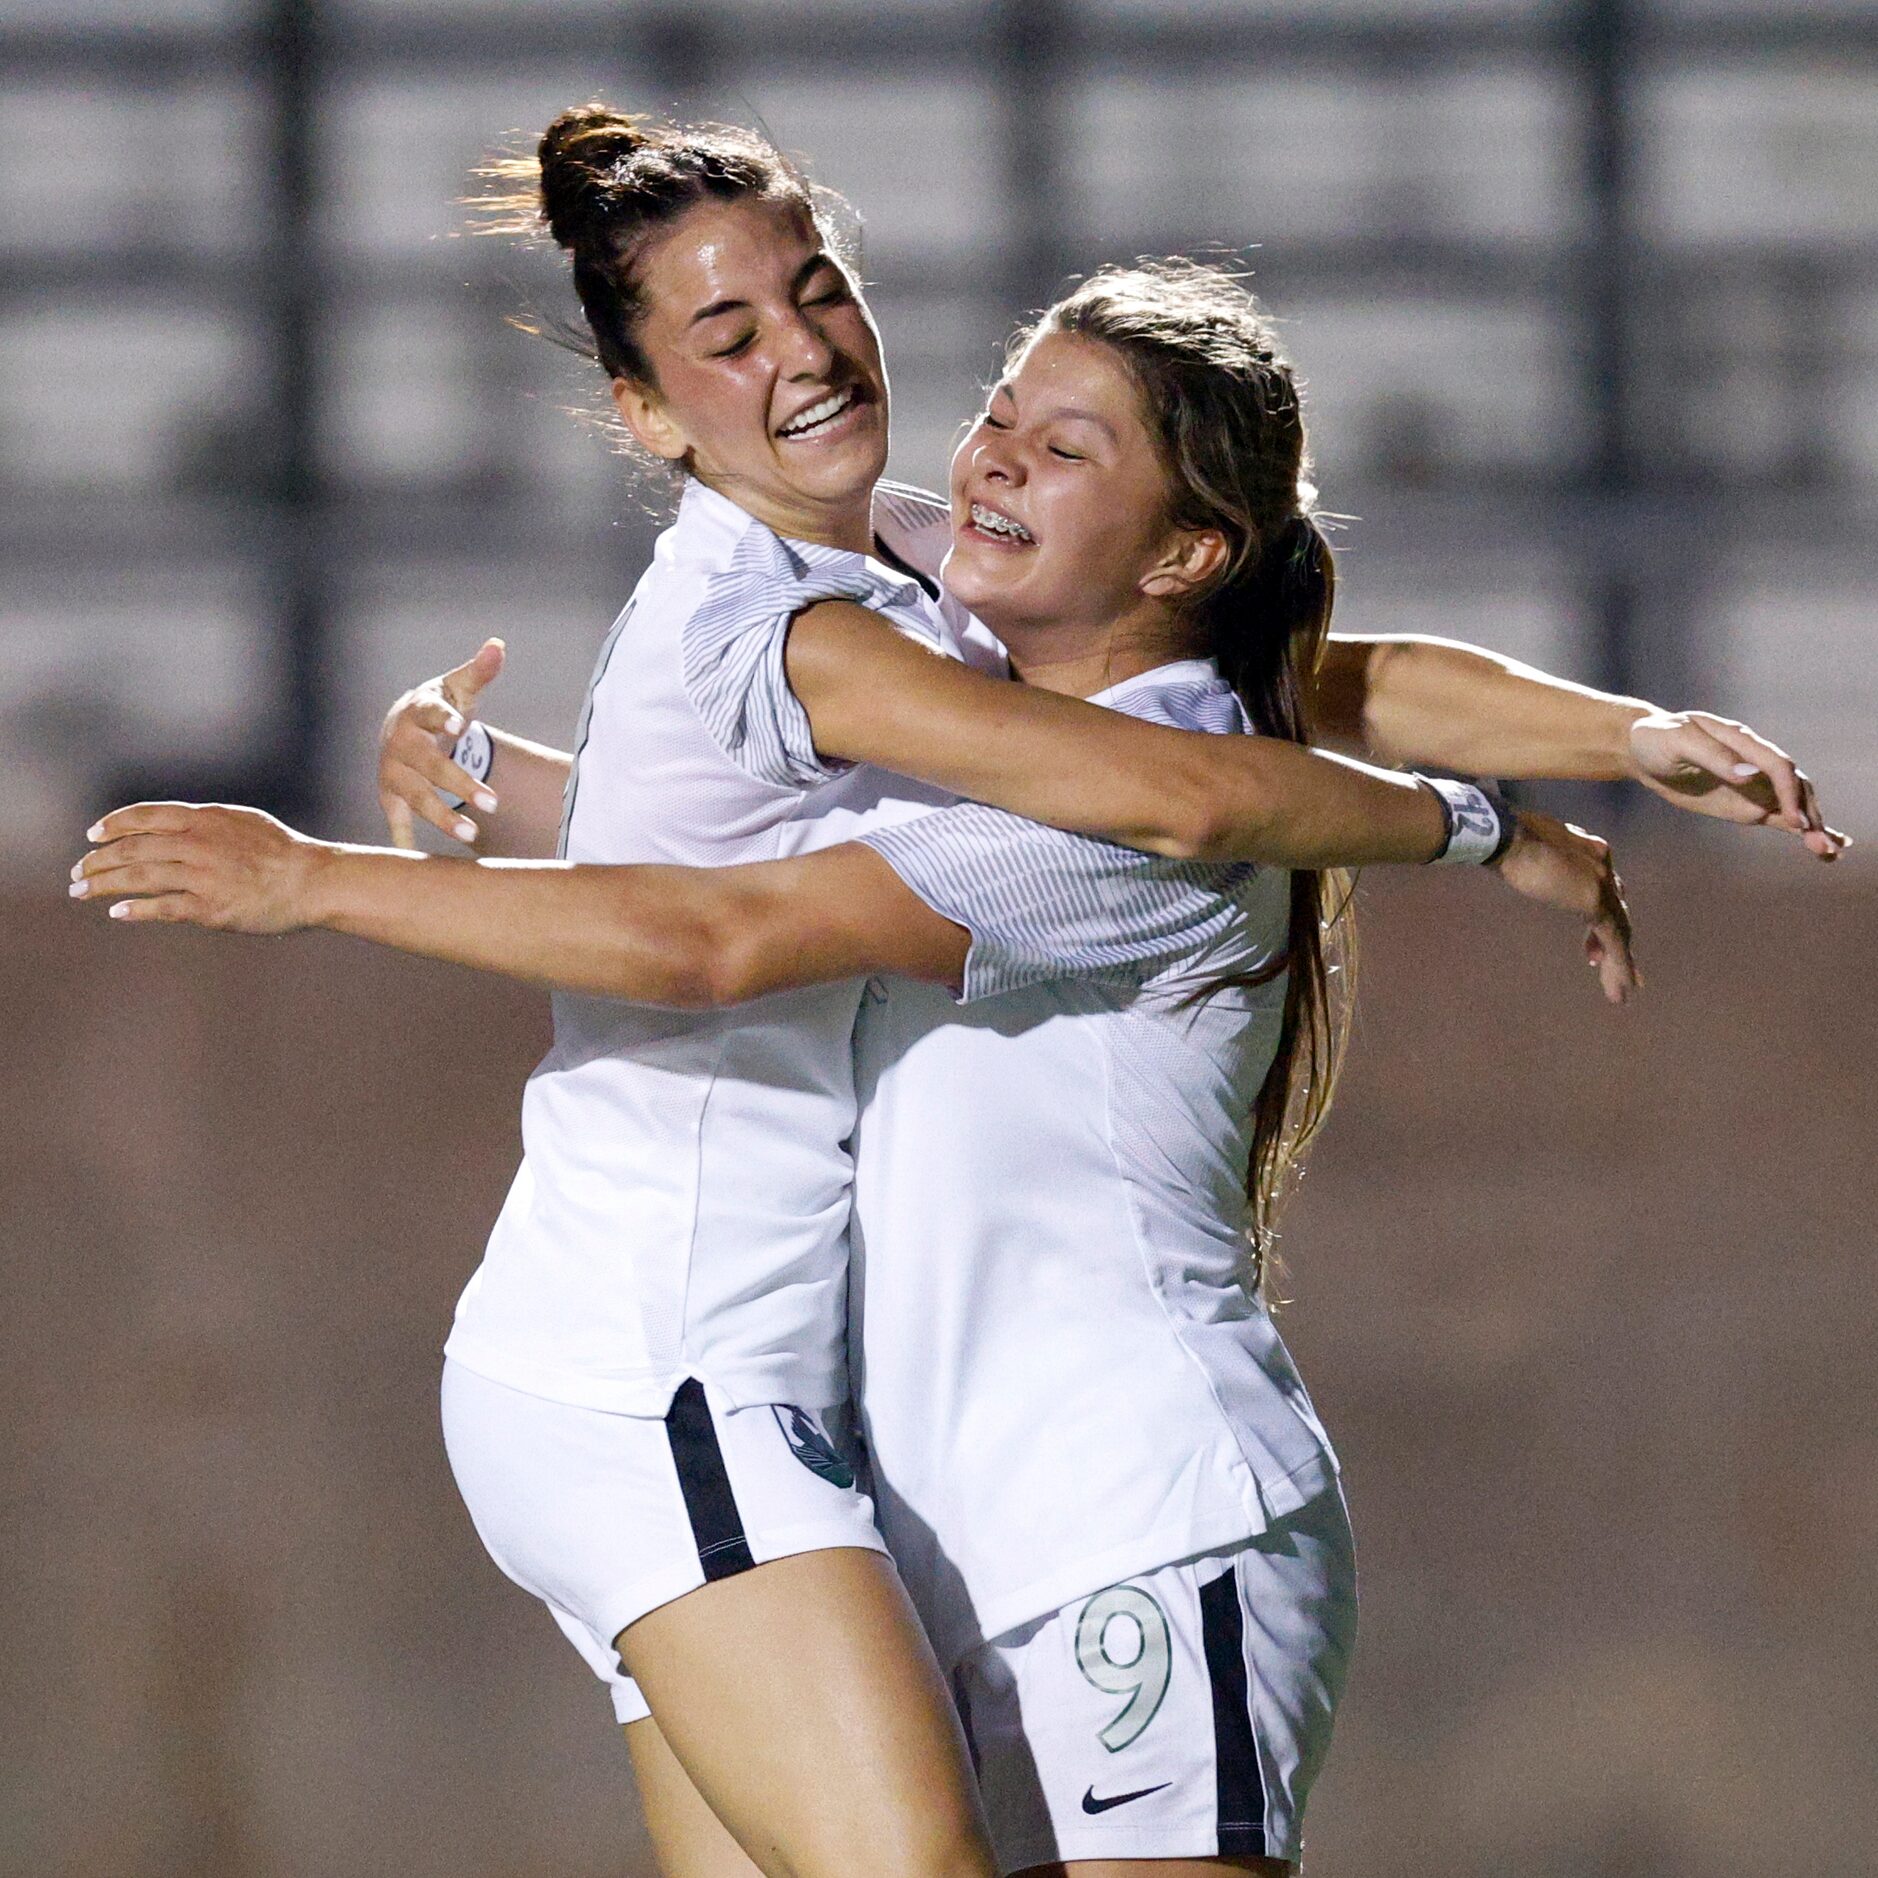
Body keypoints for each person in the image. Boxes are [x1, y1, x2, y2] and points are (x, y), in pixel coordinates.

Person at [73, 113, 1843, 1878]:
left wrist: (1615, 739)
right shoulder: (862, 641)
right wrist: (1490, 833)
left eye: (817, 289)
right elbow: (751, 914)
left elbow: (1300, 700)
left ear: (1179, 558)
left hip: (1048, 1498)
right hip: (687, 1382)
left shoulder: (945, 628)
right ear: (642, 410)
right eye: (728, 335)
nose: (831, 364)